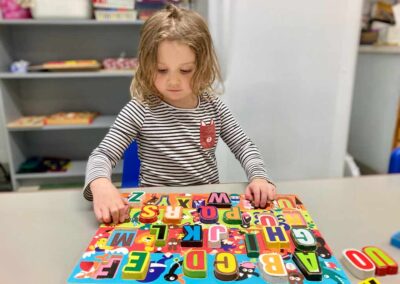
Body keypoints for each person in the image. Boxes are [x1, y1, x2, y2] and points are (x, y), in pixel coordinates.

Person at [84, 4, 276, 224]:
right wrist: (100, 185)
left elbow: (244, 146)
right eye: (161, 69)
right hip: (156, 210)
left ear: (202, 66)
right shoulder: (140, 109)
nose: (173, 81)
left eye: (185, 70)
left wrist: (259, 177)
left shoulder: (214, 107)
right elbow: (103, 155)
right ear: (147, 65)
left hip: (206, 207)